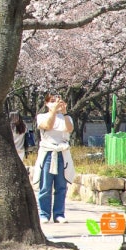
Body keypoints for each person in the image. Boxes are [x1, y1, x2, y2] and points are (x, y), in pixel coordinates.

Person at [32, 93, 75, 224]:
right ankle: (44, 214)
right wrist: (53, 112)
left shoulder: (67, 117)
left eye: (58, 101)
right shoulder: (42, 116)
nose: (55, 103)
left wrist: (64, 112)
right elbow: (48, 126)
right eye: (52, 101)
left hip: (62, 152)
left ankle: (59, 214)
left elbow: (69, 129)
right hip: (48, 153)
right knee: (45, 186)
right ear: (46, 103)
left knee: (61, 186)